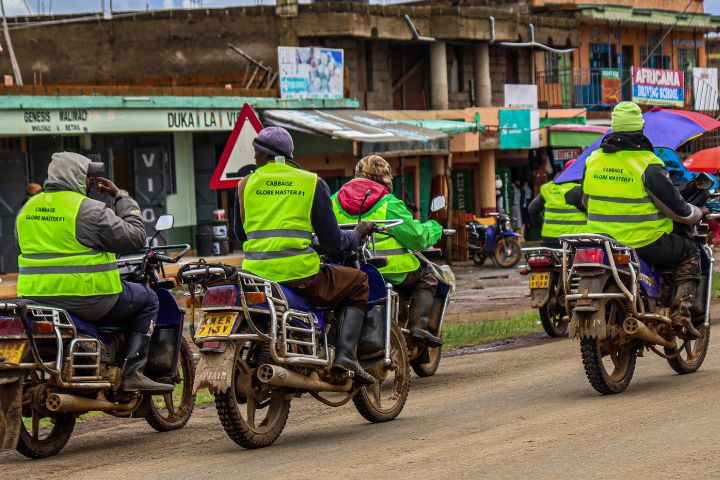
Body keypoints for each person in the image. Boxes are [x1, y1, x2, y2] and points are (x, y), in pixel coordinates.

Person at [15, 152, 171, 392]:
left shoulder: (27, 209)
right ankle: (133, 373)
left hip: (35, 298)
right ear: (75, 176)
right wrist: (122, 198)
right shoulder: (88, 210)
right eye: (89, 175)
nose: (92, 181)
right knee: (149, 298)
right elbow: (135, 238)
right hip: (89, 298)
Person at [235, 127, 376, 385]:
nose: (254, 158)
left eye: (256, 154)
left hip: (253, 276)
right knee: (358, 281)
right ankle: (346, 355)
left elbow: (240, 234)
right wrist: (357, 235)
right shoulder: (310, 182)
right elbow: (333, 242)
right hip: (300, 276)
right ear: (288, 154)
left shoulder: (245, 184)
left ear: (264, 155)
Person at [571, 102, 706, 338]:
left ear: (613, 128)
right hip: (645, 242)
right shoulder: (648, 164)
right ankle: (681, 314)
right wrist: (698, 212)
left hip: (601, 242)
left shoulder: (593, 161)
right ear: (640, 128)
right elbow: (679, 211)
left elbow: (585, 201)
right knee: (691, 252)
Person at [331, 155, 444, 346]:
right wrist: (435, 227)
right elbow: (417, 238)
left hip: (349, 270)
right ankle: (418, 327)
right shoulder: (388, 203)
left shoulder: (334, 199)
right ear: (385, 178)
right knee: (428, 276)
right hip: (391, 271)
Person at [528, 159, 587, 248]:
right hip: (575, 241)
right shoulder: (578, 191)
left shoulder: (549, 188)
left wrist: (542, 226)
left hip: (548, 240)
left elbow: (532, 209)